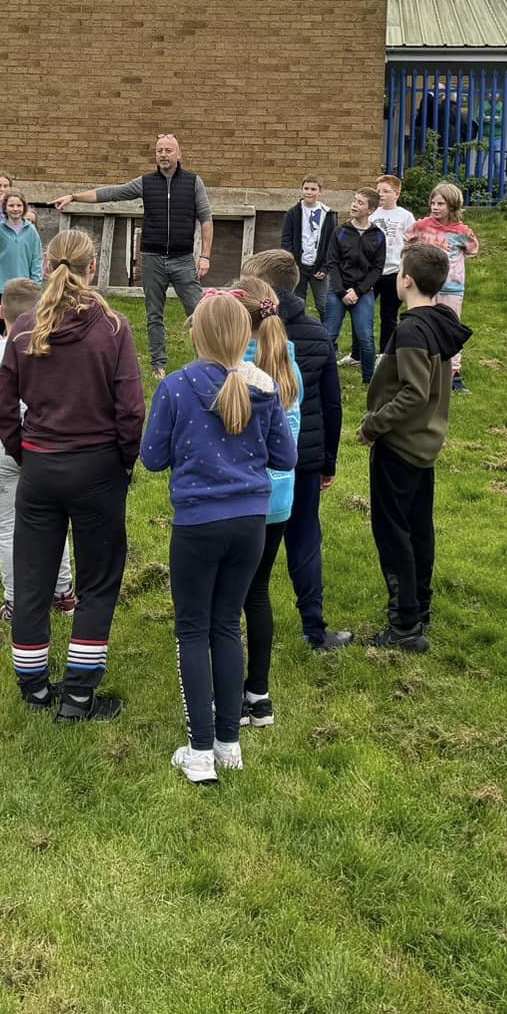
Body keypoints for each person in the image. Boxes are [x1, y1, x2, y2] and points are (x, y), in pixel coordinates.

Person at [141, 290, 296, 784]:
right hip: (250, 523)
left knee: (193, 629)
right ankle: (230, 743)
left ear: (198, 333)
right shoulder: (265, 386)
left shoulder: (178, 386)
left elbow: (152, 457)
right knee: (227, 625)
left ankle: (201, 750)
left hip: (198, 524)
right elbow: (285, 459)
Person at [0, 229, 146, 721]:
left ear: (46, 265)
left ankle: (34, 690)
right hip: (98, 466)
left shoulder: (22, 329)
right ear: (92, 268)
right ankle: (79, 697)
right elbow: (131, 409)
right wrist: (125, 461)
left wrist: (25, 455)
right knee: (97, 581)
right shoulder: (114, 329)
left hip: (40, 466)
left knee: (33, 580)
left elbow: (2, 412)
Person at [358, 242, 469, 652]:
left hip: (400, 446)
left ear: (405, 280)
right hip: (426, 443)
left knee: (394, 533)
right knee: (419, 529)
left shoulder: (410, 330)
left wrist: (373, 424)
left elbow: (414, 393)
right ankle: (420, 608)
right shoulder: (440, 321)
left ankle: (404, 626)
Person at [244, 249, 350, 652]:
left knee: (254, 549)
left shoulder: (240, 335)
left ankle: (236, 624)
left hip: (252, 459)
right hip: (301, 459)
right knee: (305, 539)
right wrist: (328, 461)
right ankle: (315, 628)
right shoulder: (317, 333)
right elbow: (332, 406)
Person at [54, 135, 214, 378]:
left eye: (168, 150)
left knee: (198, 313)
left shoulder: (193, 183)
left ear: (179, 154)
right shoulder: (146, 183)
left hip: (182, 260)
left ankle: (206, 361)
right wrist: (74, 197)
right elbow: (112, 193)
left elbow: (206, 220)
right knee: (154, 314)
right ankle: (158, 366)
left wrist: (205, 256)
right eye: (159, 150)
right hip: (152, 259)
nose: (163, 154)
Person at [0, 276, 76, 624]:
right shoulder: (53, 351)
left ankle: (15, 601)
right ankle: (63, 593)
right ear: (43, 312)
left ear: (0, 312)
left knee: (6, 527)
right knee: (55, 521)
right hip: (44, 443)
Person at [226, 276, 303, 732]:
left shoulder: (235, 367)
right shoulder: (288, 361)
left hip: (243, 497)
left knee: (230, 597)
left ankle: (233, 694)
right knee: (258, 591)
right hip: (280, 498)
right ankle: (260, 693)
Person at [406, 182, 482, 394]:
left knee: (449, 328)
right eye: (433, 202)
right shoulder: (422, 226)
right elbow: (407, 239)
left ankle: (453, 374)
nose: (435, 207)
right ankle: (425, 369)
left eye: (441, 203)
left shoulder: (462, 232)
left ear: (452, 206)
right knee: (424, 326)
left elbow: (472, 250)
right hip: (425, 287)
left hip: (451, 288)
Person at [330, 189, 385, 380]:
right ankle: (322, 375)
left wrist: (359, 291)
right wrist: (342, 291)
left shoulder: (378, 235)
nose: (354, 205)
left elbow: (377, 269)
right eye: (354, 201)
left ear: (371, 210)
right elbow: (332, 264)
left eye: (360, 203)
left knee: (366, 339)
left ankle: (369, 380)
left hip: (363, 292)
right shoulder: (341, 232)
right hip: (338, 291)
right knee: (329, 336)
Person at [368, 174, 416, 356]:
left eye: (386, 191)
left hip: (394, 272)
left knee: (388, 315)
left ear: (397, 193)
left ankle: (385, 353)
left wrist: (406, 270)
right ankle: (360, 352)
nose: (381, 195)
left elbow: (412, 245)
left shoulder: (405, 216)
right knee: (364, 314)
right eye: (378, 191)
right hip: (372, 271)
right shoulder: (372, 214)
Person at [281, 177, 339, 324]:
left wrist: (325, 267)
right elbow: (286, 240)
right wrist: (292, 262)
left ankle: (329, 339)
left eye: (313, 189)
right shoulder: (293, 213)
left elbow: (332, 244)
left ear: (320, 192)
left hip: (319, 268)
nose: (309, 192)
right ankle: (299, 335)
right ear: (302, 190)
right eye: (306, 188)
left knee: (323, 304)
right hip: (298, 266)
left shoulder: (328, 214)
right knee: (297, 303)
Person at [0, 191, 44, 326]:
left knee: (23, 327)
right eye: (11, 205)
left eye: (19, 205)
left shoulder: (31, 230)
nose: (15, 209)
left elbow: (37, 259)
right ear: (5, 208)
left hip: (23, 289)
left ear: (24, 207)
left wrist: (36, 284)